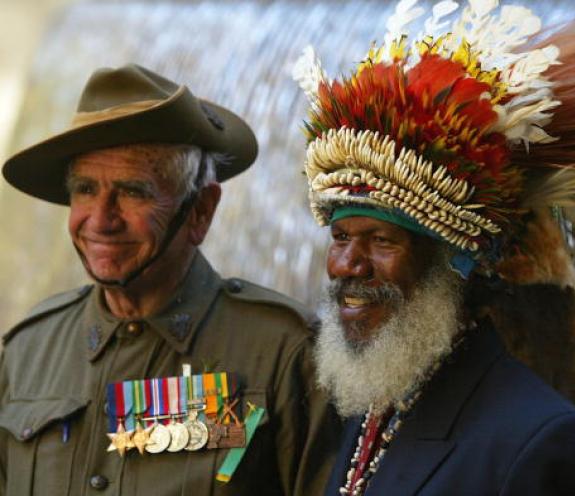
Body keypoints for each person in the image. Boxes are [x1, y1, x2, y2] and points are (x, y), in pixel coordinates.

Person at [293, 1, 575, 494]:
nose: (346, 265)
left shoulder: (542, 443)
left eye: (381, 240)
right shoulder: (373, 404)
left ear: (451, 263)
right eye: (340, 236)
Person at [0, 64, 339, 495]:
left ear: (200, 211)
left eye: (133, 191)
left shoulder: (283, 352)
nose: (101, 220)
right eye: (85, 189)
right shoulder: (29, 349)